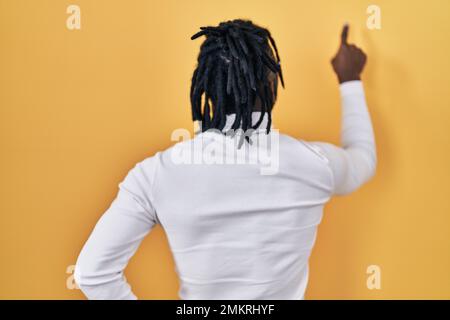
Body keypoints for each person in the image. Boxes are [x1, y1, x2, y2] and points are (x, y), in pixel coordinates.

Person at [74, 19, 376, 300]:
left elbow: (92, 274)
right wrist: (350, 81)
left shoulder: (156, 174)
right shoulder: (314, 163)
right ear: (272, 83)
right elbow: (363, 158)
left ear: (205, 86)